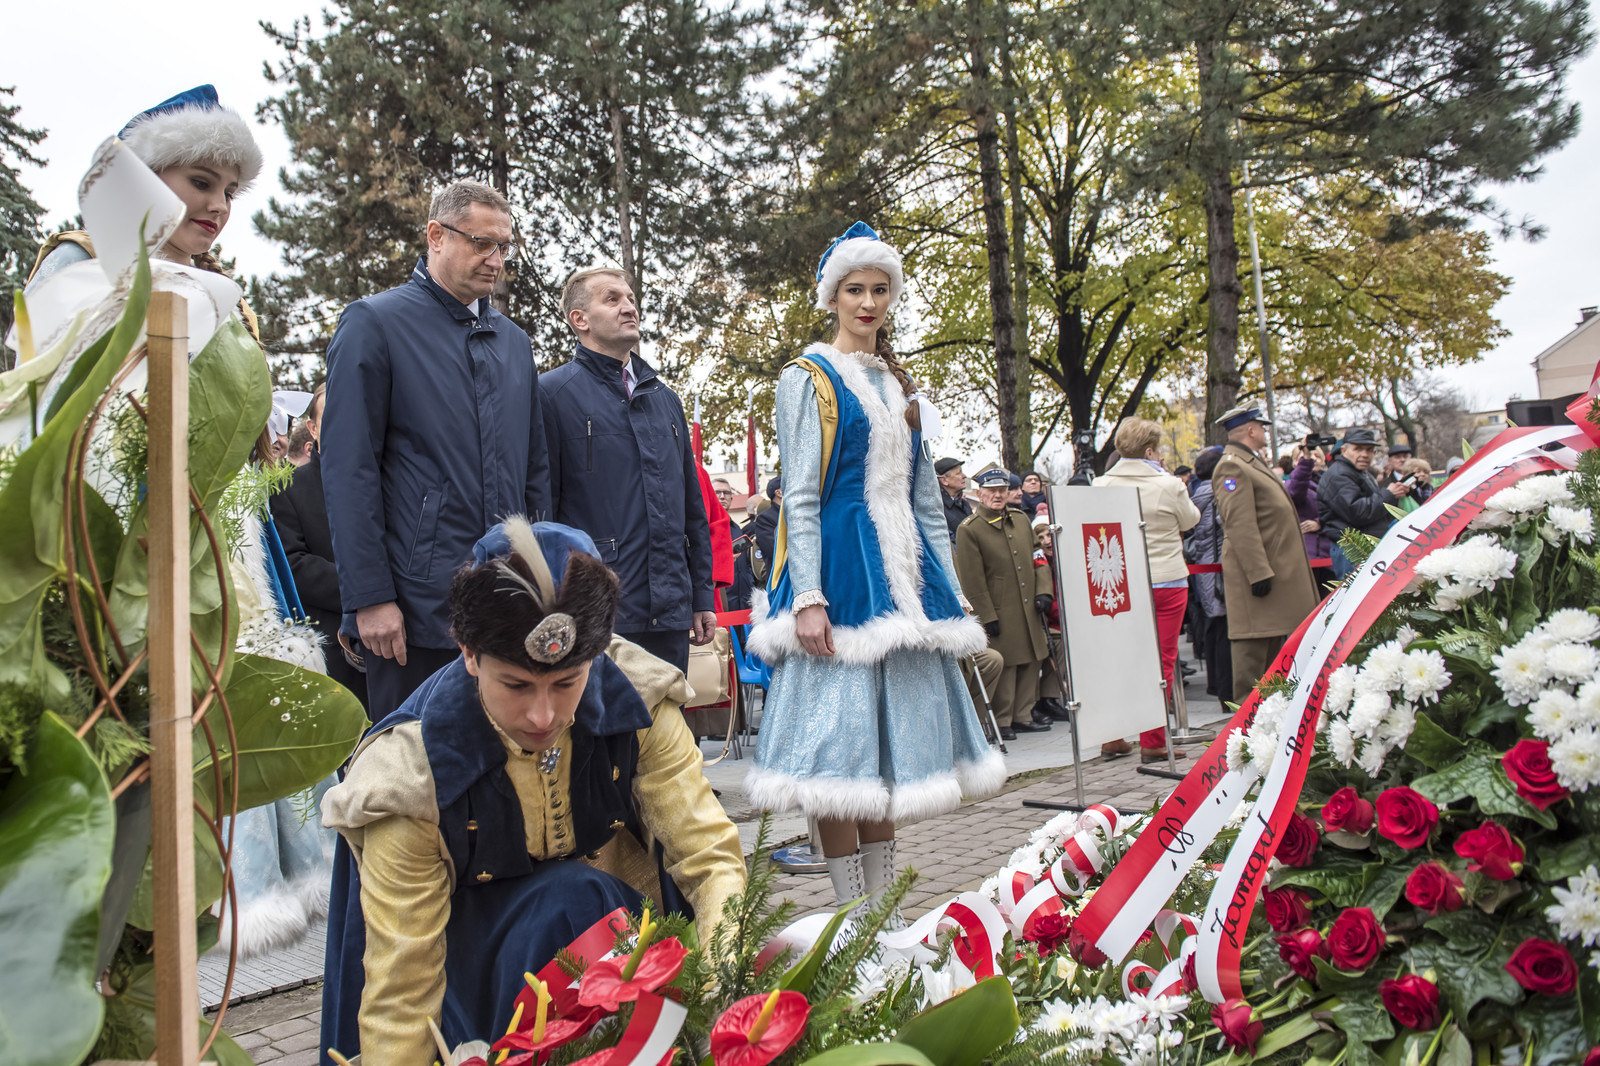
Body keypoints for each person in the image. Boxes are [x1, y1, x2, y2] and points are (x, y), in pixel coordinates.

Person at [320, 519, 746, 1063]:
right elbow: (403, 991)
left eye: (566, 683)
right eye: (516, 686)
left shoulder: (641, 702)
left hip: (611, 935)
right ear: (469, 654)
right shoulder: (409, 779)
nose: (543, 716)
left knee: (580, 900)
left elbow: (709, 858)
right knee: (569, 902)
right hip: (465, 965)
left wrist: (719, 999)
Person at [745, 222, 1002, 909]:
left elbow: (925, 502)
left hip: (906, 582)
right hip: (842, 575)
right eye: (855, 289)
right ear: (832, 297)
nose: (868, 302)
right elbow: (801, 494)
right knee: (838, 760)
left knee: (885, 759)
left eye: (880, 289)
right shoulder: (807, 377)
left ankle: (880, 916)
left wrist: (948, 588)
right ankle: (851, 915)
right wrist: (808, 595)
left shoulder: (900, 385)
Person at [322, 180, 551, 719]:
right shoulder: (375, 322)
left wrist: (539, 577)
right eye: (481, 243)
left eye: (504, 247)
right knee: (415, 759)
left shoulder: (514, 343)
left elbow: (535, 473)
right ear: (436, 235)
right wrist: (369, 597)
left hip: (507, 598)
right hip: (416, 606)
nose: (496, 260)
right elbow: (349, 469)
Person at [540, 268, 715, 674]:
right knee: (600, 717)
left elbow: (692, 507)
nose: (629, 307)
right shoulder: (550, 394)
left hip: (671, 610)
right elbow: (542, 509)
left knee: (668, 715)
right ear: (580, 319)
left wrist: (700, 596)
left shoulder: (665, 399)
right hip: (596, 609)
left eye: (631, 299)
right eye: (612, 299)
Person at [1094, 418, 1201, 762]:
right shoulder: (1169, 484)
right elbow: (1191, 519)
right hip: (1166, 579)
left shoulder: (1101, 484)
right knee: (1161, 661)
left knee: (1118, 657)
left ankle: (1112, 735)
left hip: (1118, 581)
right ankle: (1153, 740)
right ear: (1151, 451)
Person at [271, 384, 370, 710]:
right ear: (312, 428)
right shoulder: (287, 488)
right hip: (332, 649)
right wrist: (370, 588)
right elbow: (293, 564)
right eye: (331, 414)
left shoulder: (389, 482)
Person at [1212, 406, 1319, 702]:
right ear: (1251, 430)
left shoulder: (1249, 462)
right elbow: (1240, 525)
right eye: (1261, 427)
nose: (1264, 432)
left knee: (1271, 660)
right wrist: (1258, 572)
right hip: (1259, 577)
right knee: (1253, 662)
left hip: (1273, 574)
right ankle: (1245, 725)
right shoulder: (1232, 467)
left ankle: (1267, 721)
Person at [956, 468, 1057, 739]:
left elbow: (1037, 555)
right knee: (1009, 662)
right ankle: (1003, 720)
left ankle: (1023, 714)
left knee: (1033, 658)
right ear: (980, 494)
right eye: (991, 491)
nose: (998, 495)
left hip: (1029, 603)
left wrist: (1044, 590)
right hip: (1001, 607)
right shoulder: (970, 529)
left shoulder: (1021, 519)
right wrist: (986, 615)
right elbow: (972, 578)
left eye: (1002, 490)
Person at [1317, 427, 1411, 578]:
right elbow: (1357, 512)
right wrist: (1388, 494)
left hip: (1361, 546)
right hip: (1352, 549)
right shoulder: (1340, 474)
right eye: (1358, 449)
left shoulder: (1358, 472)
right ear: (1344, 450)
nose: (1364, 454)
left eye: (1369, 450)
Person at [1186, 446, 1232, 700]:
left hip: (1205, 568)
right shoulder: (1217, 493)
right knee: (1223, 628)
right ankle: (1226, 690)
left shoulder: (1197, 495)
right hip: (1217, 568)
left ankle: (1215, 683)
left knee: (1213, 625)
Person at [1285, 435, 1334, 590]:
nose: (1313, 459)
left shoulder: (1330, 481)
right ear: (1295, 461)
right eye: (1307, 456)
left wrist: (1320, 523)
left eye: (1316, 456)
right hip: (1311, 553)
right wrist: (1305, 462)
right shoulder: (1292, 484)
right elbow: (1296, 491)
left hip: (1331, 549)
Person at [936, 456, 972, 544]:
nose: (964, 476)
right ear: (944, 480)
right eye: (958, 473)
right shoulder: (938, 508)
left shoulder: (965, 504)